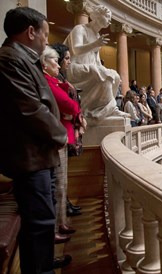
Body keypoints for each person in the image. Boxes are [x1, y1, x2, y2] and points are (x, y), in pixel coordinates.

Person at [0, 7, 69, 273]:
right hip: (30, 158)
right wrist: (61, 135)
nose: (46, 40)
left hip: (38, 155)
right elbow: (30, 109)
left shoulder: (23, 58)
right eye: (45, 34)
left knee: (42, 223)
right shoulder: (9, 59)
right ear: (31, 32)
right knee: (39, 226)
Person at [41, 46, 83, 246]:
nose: (59, 65)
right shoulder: (47, 81)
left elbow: (72, 105)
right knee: (58, 185)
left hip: (62, 135)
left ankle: (62, 222)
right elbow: (70, 105)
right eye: (55, 61)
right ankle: (57, 226)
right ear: (44, 64)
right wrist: (72, 106)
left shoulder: (56, 81)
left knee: (62, 184)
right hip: (57, 136)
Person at [64, 4, 126, 120]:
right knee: (102, 74)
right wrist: (95, 44)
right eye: (107, 16)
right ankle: (100, 111)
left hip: (90, 68)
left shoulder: (97, 35)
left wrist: (106, 70)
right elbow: (76, 50)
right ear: (97, 15)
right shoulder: (80, 29)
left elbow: (96, 61)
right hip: (75, 67)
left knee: (115, 76)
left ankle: (110, 109)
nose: (109, 20)